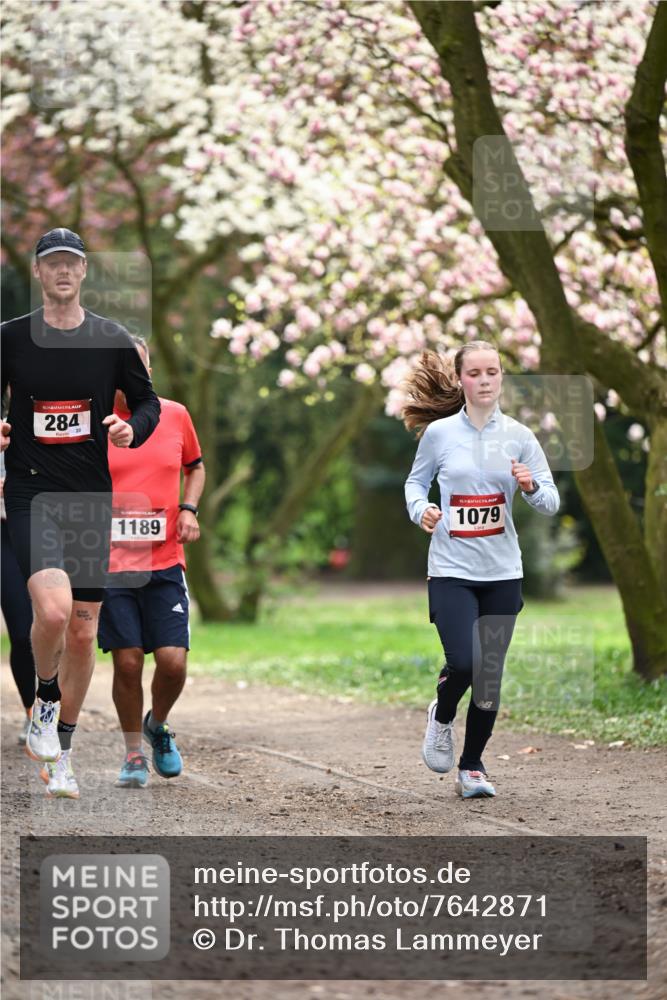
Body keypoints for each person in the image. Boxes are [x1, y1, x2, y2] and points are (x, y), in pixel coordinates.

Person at [1, 227, 160, 798]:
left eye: (72, 263)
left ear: (84, 271)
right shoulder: (11, 339)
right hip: (31, 492)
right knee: (51, 612)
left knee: (83, 633)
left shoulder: (111, 339)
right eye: (53, 264)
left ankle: (61, 751)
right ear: (39, 274)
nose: (63, 272)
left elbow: (147, 403)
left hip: (90, 497)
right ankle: (45, 697)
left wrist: (128, 428)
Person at [403, 342, 559, 799]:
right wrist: (422, 510)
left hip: (503, 572)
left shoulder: (519, 436)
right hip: (451, 569)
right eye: (475, 372)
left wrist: (529, 485)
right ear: (461, 380)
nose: (485, 379)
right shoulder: (439, 435)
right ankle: (443, 713)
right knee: (466, 662)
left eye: (493, 371)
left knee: (489, 675)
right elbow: (415, 482)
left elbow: (550, 501)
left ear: (502, 377)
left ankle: (471, 767)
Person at [97, 336, 205, 788]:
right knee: (126, 663)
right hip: (110, 562)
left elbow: (194, 466)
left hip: (164, 561)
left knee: (173, 662)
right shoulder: (94, 422)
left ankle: (157, 725)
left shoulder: (175, 414)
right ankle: (133, 754)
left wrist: (188, 509)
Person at [1, 454, 36, 742]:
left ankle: (40, 709)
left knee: (32, 632)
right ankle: (32, 713)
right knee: (23, 634)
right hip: (7, 534)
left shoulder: (34, 428)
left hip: (28, 530)